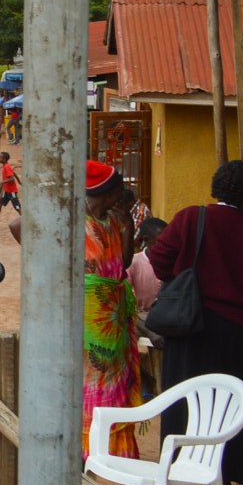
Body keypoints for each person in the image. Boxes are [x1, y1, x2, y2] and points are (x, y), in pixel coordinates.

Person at [147, 159, 243, 485]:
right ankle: (225, 481)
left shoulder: (191, 218)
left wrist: (185, 278)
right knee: (233, 408)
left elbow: (158, 260)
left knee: (188, 404)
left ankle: (187, 474)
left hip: (192, 330)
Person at [82, 161, 141, 459]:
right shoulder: (74, 220)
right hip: (91, 315)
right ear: (107, 191)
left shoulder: (115, 220)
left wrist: (128, 227)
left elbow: (125, 262)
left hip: (115, 315)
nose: (123, 193)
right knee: (93, 378)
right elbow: (19, 227)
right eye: (119, 188)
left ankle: (113, 451)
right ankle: (91, 449)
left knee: (114, 379)